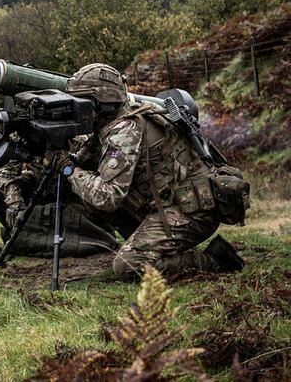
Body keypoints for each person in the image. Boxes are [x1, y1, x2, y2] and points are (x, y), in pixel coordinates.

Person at [59, 63, 246, 279]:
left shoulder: (124, 131)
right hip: (169, 205)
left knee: (128, 266)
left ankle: (215, 260)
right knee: (88, 198)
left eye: (83, 101)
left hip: (192, 210)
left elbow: (107, 196)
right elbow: (87, 168)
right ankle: (149, 245)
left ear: (102, 101)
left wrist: (67, 169)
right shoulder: (115, 123)